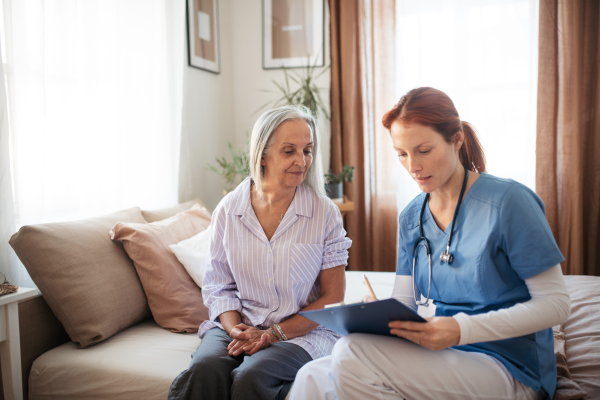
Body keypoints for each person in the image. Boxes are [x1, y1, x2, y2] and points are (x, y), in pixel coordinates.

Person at [289, 87, 571, 400]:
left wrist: (460, 329)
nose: (413, 166)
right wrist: (375, 316)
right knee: (311, 376)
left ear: (457, 140)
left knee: (351, 354)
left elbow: (556, 304)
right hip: (442, 352)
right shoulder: (412, 217)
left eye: (424, 151)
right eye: (402, 154)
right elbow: (406, 304)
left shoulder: (509, 202)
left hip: (509, 366)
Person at [169, 105, 352, 400]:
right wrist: (236, 331)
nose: (302, 161)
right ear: (262, 155)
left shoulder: (324, 213)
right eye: (289, 151)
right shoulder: (229, 210)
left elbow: (332, 298)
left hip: (301, 332)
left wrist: (273, 334)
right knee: (204, 370)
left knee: (251, 376)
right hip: (239, 323)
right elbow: (219, 286)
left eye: (307, 150)